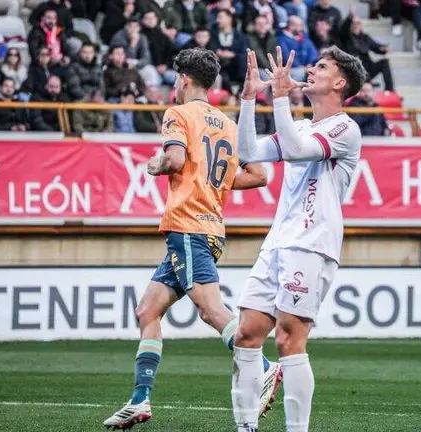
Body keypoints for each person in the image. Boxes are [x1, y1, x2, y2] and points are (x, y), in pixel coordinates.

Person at [102, 48, 279, 431]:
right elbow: (260, 175)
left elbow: (176, 161)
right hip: (210, 228)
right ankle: (139, 399)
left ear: (183, 79)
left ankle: (264, 366)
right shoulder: (228, 124)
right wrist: (213, 182)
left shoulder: (178, 115)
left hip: (188, 226)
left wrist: (155, 164)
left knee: (211, 310)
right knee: (147, 311)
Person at [231, 45, 366, 432]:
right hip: (277, 242)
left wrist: (279, 96)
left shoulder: (345, 128)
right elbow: (248, 151)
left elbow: (292, 151)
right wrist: (248, 99)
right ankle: (245, 427)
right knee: (246, 333)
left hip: (312, 244)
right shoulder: (303, 125)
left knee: (289, 340)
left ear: (339, 83)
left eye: (321, 67)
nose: (311, 70)